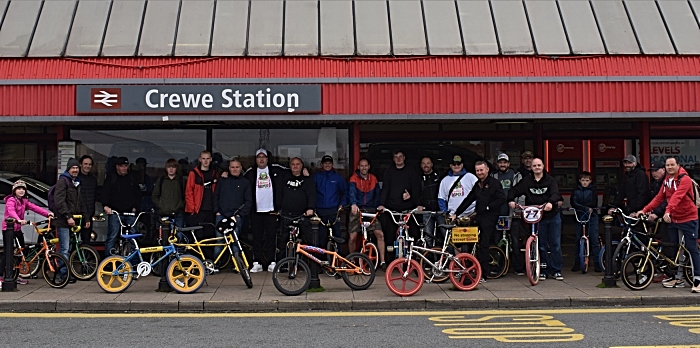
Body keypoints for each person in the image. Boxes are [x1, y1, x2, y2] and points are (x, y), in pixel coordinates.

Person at [638, 157, 700, 293]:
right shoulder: (667, 180)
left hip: (688, 218)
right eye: (667, 165)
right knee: (676, 249)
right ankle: (678, 278)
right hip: (675, 219)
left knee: (691, 248)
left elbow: (677, 197)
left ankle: (697, 279)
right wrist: (645, 210)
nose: (670, 167)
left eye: (672, 165)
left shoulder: (685, 179)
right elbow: (659, 198)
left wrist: (667, 212)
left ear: (678, 165)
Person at [507, 158, 563, 281]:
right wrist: (511, 200)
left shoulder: (550, 180)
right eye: (534, 166)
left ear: (543, 166)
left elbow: (556, 194)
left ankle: (556, 270)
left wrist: (550, 202)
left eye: (539, 165)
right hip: (538, 217)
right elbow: (514, 190)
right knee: (540, 244)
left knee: (555, 244)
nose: (537, 167)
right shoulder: (526, 181)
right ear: (531, 168)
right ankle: (542, 270)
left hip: (552, 216)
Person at [455, 161, 505, 281]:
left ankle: (484, 274)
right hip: (479, 216)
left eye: (481, 170)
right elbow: (468, 199)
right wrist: (456, 213)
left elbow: (502, 198)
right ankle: (468, 268)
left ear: (487, 170)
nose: (479, 173)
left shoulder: (494, 183)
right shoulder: (478, 184)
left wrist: (489, 207)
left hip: (490, 216)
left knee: (484, 244)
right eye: (477, 171)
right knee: (469, 240)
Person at [1, 180, 53, 285]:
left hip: (17, 229)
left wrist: (47, 214)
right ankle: (1, 276)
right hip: (8, 228)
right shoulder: (11, 200)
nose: (21, 191)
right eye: (19, 189)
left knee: (22, 251)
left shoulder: (24, 201)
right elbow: (11, 211)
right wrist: (18, 220)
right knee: (8, 252)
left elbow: (35, 208)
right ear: (14, 191)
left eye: (23, 189)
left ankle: (17, 274)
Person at [244, 149, 286, 273]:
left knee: (271, 237)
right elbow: (239, 180)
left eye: (264, 157)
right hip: (256, 211)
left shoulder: (276, 170)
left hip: (271, 211)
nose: (261, 159)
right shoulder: (250, 172)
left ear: (267, 159)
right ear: (256, 159)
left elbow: (292, 172)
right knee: (256, 237)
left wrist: (305, 171)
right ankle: (257, 262)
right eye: (259, 157)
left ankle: (271, 262)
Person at [377, 150, 421, 261]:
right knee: (390, 235)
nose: (398, 159)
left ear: (404, 157)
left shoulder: (411, 171)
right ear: (393, 159)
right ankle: (390, 262)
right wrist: (382, 204)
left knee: (413, 235)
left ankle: (414, 260)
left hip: (408, 208)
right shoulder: (389, 171)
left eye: (400, 156)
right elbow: (385, 188)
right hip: (392, 208)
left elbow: (416, 188)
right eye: (396, 157)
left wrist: (414, 199)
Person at [53, 158, 88, 283]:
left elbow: (81, 202)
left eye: (77, 168)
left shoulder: (76, 182)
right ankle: (63, 275)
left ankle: (66, 273)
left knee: (70, 247)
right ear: (68, 169)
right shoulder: (63, 181)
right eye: (73, 168)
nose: (75, 170)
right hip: (64, 220)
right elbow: (59, 201)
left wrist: (86, 217)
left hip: (74, 220)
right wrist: (68, 216)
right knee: (64, 248)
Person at [214, 159, 252, 271]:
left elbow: (248, 201)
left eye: (237, 167)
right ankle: (215, 266)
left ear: (241, 168)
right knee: (219, 241)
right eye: (232, 167)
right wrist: (217, 211)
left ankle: (237, 265)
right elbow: (216, 196)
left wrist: (240, 214)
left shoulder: (245, 182)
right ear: (229, 168)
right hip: (221, 215)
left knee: (235, 241)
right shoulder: (222, 181)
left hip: (235, 216)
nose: (234, 169)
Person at [101, 156, 142, 258]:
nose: (124, 168)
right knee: (112, 237)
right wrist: (106, 206)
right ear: (117, 167)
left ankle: (135, 262)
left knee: (133, 237)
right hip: (115, 212)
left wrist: (135, 207)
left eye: (125, 166)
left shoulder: (132, 178)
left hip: (130, 213)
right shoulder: (111, 178)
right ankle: (108, 262)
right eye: (121, 166)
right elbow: (104, 193)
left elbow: (138, 194)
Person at [348, 158, 385, 269]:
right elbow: (352, 193)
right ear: (358, 167)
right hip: (358, 209)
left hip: (370, 210)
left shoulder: (373, 179)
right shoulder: (354, 178)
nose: (364, 168)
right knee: (352, 237)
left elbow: (378, 194)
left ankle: (382, 261)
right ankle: (352, 260)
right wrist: (353, 204)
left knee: (380, 234)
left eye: (366, 166)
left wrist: (379, 205)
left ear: (369, 167)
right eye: (361, 166)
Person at [492, 153, 526, 275]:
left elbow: (521, 193)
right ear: (497, 164)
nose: (502, 164)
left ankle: (518, 267)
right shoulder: (493, 176)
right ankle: (499, 266)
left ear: (508, 164)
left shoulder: (516, 175)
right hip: (498, 214)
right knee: (497, 241)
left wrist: (518, 210)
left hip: (513, 214)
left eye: (504, 162)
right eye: (500, 162)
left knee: (515, 241)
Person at [277, 157, 316, 258]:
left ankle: (311, 265)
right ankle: (283, 264)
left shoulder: (307, 180)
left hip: (303, 215)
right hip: (286, 214)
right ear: (289, 166)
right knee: (283, 240)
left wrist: (310, 208)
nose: (295, 166)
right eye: (293, 164)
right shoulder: (283, 177)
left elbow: (312, 195)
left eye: (298, 164)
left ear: (302, 166)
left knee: (309, 239)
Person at [569, 171, 601, 273]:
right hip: (580, 214)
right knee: (578, 239)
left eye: (587, 180)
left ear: (590, 181)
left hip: (592, 215)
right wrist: (584, 208)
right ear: (579, 181)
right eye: (583, 180)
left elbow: (594, 202)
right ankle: (577, 263)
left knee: (594, 239)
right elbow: (573, 202)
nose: (585, 183)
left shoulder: (593, 190)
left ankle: (597, 263)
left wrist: (589, 208)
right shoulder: (576, 190)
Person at [314, 155, 348, 251]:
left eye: (329, 163)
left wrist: (342, 204)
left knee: (337, 234)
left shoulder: (337, 177)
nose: (327, 165)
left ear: (332, 164)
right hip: (320, 210)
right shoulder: (316, 177)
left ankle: (339, 257)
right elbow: (311, 192)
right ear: (322, 164)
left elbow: (345, 191)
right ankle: (321, 259)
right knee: (321, 236)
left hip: (334, 210)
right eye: (325, 163)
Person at [438, 154, 478, 220]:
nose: (456, 166)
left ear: (462, 165)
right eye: (454, 164)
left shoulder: (471, 177)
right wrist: (445, 214)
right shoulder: (445, 180)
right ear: (450, 165)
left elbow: (479, 194)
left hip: (470, 216)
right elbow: (441, 199)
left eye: (458, 164)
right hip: (452, 217)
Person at [152, 158, 186, 228]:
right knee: (164, 235)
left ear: (176, 168)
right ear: (166, 168)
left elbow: (186, 196)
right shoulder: (161, 180)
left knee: (178, 235)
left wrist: (180, 205)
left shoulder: (181, 181)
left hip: (177, 213)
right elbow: (155, 196)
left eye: (173, 167)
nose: (171, 169)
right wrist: (161, 205)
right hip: (163, 213)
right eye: (169, 167)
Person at [418, 156, 442, 247]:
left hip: (439, 210)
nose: (426, 165)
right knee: (428, 236)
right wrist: (419, 204)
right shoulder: (419, 179)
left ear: (432, 164)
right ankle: (429, 258)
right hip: (426, 211)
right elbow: (416, 193)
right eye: (423, 163)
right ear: (420, 165)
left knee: (446, 234)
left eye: (428, 163)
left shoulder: (439, 176)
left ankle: (449, 257)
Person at [77, 155, 97, 244]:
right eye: (85, 164)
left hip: (89, 214)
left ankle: (85, 258)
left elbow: (94, 196)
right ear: (80, 164)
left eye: (89, 164)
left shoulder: (93, 179)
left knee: (87, 241)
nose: (87, 166)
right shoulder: (76, 178)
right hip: (77, 214)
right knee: (74, 241)